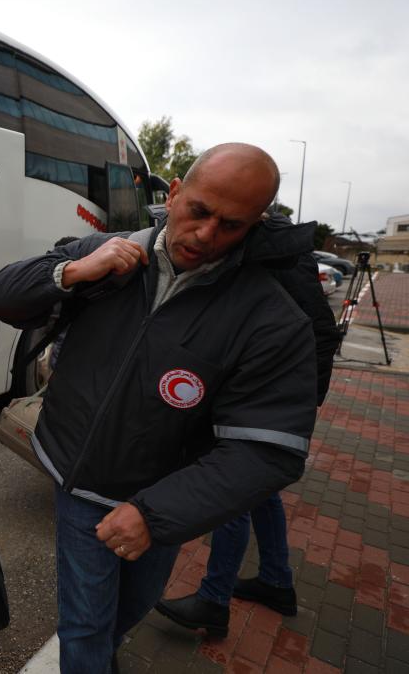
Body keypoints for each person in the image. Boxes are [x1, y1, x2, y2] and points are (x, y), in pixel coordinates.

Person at [0, 143, 319, 673]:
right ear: (175, 194)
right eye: (199, 212)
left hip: (160, 498)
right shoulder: (107, 251)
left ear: (257, 224)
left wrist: (155, 513)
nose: (207, 235)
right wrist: (73, 270)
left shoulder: (268, 317)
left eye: (231, 225)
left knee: (127, 612)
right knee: (86, 629)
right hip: (79, 479)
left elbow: (268, 450)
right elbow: (3, 296)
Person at [155, 210, 341, 635]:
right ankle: (276, 581)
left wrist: (290, 407)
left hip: (261, 400)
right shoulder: (274, 248)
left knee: (228, 493)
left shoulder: (271, 256)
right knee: (262, 493)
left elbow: (318, 332)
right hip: (270, 396)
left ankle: (213, 601)